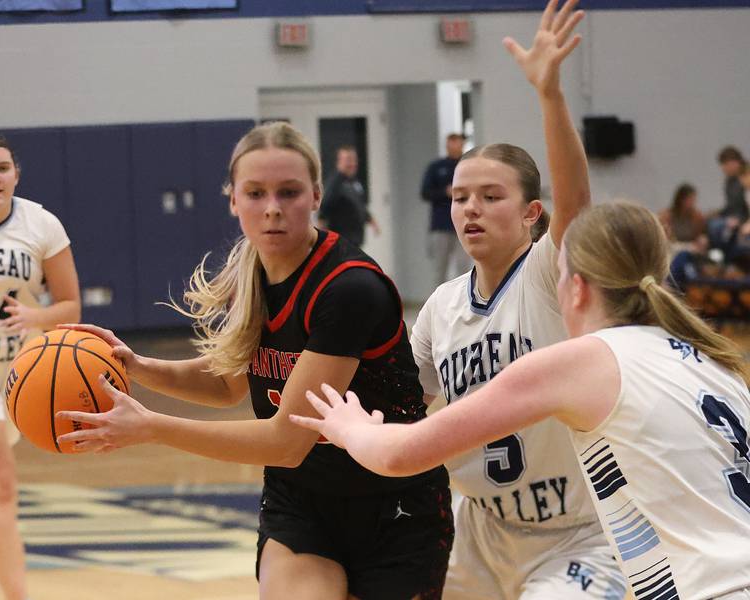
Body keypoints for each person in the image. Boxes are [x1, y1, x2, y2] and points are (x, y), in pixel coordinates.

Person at [56, 122, 453, 600]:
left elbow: (287, 441)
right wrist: (135, 366)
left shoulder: (348, 288)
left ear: (316, 195)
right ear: (233, 200)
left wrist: (152, 427)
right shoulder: (249, 273)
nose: (272, 208)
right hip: (302, 503)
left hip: (394, 508)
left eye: (289, 192)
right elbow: (227, 385)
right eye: (255, 193)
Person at [292, 201, 750, 600]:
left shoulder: (585, 360)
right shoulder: (717, 365)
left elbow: (400, 455)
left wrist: (350, 426)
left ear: (576, 287)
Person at [390, 1, 627, 598]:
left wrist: (549, 94)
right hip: (478, 531)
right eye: (459, 197)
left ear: (530, 213)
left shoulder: (547, 273)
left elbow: (576, 199)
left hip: (577, 534)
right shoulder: (440, 307)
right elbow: (401, 409)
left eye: (491, 197)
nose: (470, 208)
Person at [0, 133, 81, 600]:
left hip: (17, 372)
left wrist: (36, 317)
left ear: (16, 175)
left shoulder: (42, 224)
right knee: (1, 485)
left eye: (3, 168)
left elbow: (70, 306)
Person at [420, 133, 469, 286]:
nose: (455, 146)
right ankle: (438, 300)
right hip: (441, 224)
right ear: (447, 145)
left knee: (464, 268)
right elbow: (425, 193)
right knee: (439, 269)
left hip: (465, 224)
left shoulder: (468, 166)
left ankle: (464, 298)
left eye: (458, 143)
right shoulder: (436, 167)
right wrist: (444, 192)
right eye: (452, 143)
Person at [318, 145, 379, 247]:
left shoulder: (354, 182)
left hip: (354, 238)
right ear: (339, 162)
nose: (352, 164)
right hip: (341, 238)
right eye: (348, 160)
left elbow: (359, 204)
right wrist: (322, 231)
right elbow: (325, 205)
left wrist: (371, 221)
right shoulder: (335, 183)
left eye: (354, 160)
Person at [658, 182, 705, 247]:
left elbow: (699, 235)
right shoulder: (666, 215)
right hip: (672, 245)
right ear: (681, 199)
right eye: (690, 199)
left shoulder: (697, 216)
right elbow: (663, 235)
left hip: (690, 246)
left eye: (694, 200)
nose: (692, 203)